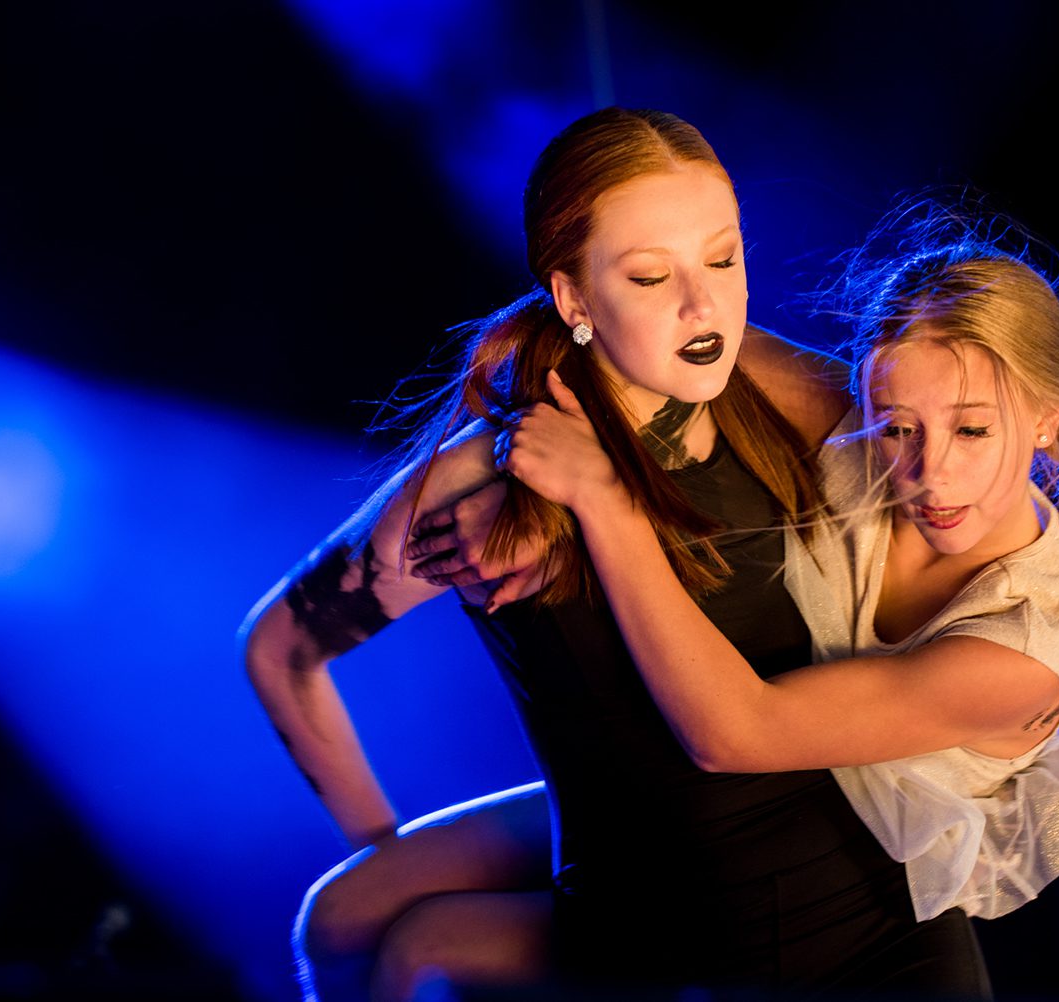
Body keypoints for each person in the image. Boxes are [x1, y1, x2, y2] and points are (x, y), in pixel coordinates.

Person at [245, 105, 970, 1002]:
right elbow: (280, 649)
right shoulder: (477, 485)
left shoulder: (773, 390)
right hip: (649, 912)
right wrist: (380, 847)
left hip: (864, 912)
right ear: (575, 299)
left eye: (724, 259)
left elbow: (969, 448)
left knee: (401, 936)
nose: (703, 304)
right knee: (349, 921)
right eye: (650, 276)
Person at [495, 211, 1059, 991]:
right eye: (898, 428)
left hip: (874, 941)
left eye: (972, 432)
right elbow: (659, 335)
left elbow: (733, 733)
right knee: (422, 893)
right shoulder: (867, 421)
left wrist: (602, 500)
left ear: (1044, 420)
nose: (930, 473)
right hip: (745, 827)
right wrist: (503, 481)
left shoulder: (1021, 657)